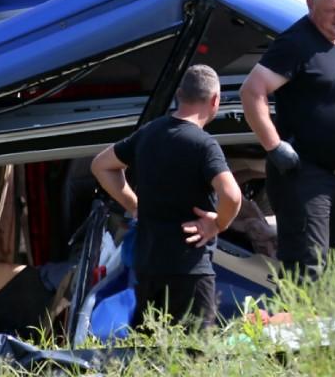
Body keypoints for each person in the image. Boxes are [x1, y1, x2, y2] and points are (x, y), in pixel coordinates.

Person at [239, 0, 335, 281]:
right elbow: (252, 91)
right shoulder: (296, 43)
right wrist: (274, 146)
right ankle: (297, 327)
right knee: (307, 269)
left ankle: (325, 329)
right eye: (332, 11)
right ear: (311, 5)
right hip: (307, 176)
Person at [91, 64, 242, 330]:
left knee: (149, 355)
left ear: (180, 94)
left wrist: (132, 204)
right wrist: (218, 224)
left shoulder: (148, 133)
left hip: (148, 269)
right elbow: (231, 194)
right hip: (190, 270)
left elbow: (101, 166)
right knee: (192, 357)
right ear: (215, 101)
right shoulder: (204, 144)